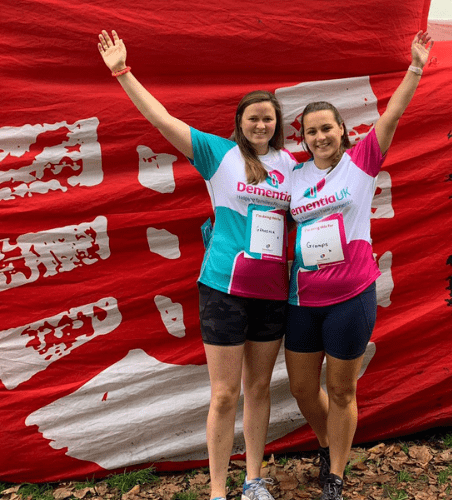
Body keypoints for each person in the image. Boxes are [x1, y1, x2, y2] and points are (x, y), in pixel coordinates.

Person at [97, 30, 295, 500]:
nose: (261, 125)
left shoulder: (294, 165)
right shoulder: (217, 153)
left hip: (271, 291)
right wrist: (122, 71)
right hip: (223, 288)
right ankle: (218, 491)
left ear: (277, 123)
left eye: (268, 118)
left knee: (261, 388)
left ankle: (253, 481)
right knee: (226, 394)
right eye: (253, 118)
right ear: (240, 123)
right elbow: (161, 118)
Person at [285, 30, 433, 500]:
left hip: (351, 295)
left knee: (342, 390)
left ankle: (335, 474)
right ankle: (331, 444)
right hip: (301, 298)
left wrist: (415, 67)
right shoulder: (293, 173)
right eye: (311, 131)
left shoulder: (361, 162)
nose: (320, 136)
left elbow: (392, 115)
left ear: (342, 130)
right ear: (303, 139)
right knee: (304, 390)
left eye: (327, 128)